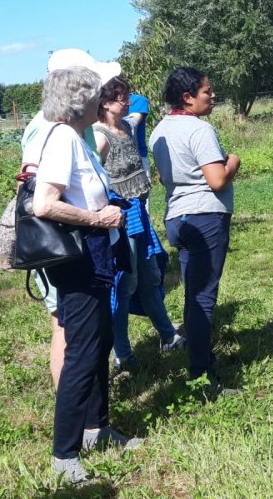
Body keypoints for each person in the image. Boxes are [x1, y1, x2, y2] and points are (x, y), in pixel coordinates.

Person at [28, 65, 141, 484]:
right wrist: (96, 219)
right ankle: (65, 456)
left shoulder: (77, 138)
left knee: (99, 344)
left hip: (97, 260)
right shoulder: (61, 140)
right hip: (79, 264)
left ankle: (98, 428)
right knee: (81, 354)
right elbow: (44, 204)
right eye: (96, 95)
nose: (102, 100)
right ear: (81, 101)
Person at [20, 49, 122, 389]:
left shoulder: (76, 127)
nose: (101, 96)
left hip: (84, 242)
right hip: (68, 246)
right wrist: (95, 218)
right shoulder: (52, 129)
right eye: (93, 88)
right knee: (66, 328)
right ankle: (74, 411)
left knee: (82, 331)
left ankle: (86, 412)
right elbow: (42, 195)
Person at [148, 67, 240, 395]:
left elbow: (163, 176)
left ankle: (198, 355)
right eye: (206, 92)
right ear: (187, 98)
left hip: (177, 218)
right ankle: (201, 377)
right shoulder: (199, 130)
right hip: (204, 218)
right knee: (203, 298)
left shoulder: (159, 130)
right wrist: (233, 161)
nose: (212, 96)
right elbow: (216, 180)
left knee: (192, 293)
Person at [94, 76, 185, 372]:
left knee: (150, 276)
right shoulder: (98, 136)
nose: (128, 102)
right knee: (125, 283)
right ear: (105, 103)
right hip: (120, 217)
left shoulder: (127, 128)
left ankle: (169, 336)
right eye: (122, 98)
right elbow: (93, 179)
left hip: (139, 212)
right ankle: (121, 353)